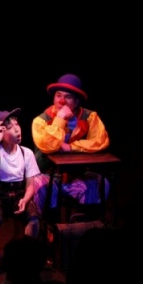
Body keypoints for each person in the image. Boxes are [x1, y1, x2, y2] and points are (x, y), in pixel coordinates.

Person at [31, 73, 110, 219]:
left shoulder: (90, 117)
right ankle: (50, 227)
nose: (61, 101)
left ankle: (84, 226)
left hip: (77, 177)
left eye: (68, 97)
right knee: (39, 185)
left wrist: (72, 147)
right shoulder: (41, 121)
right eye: (58, 96)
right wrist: (60, 118)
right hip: (48, 176)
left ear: (76, 101)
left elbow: (100, 141)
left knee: (101, 183)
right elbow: (48, 145)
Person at [0, 108, 41, 275]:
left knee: (34, 219)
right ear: (0, 132)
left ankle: (27, 255)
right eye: (10, 127)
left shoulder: (26, 153)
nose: (17, 129)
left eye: (17, 124)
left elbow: (30, 185)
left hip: (19, 194)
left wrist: (25, 199)